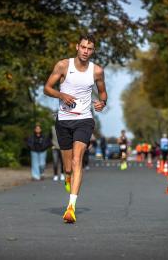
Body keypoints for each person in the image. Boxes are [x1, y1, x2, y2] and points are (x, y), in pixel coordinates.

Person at [44, 34, 107, 223]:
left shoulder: (97, 71)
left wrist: (102, 103)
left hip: (84, 120)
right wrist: (61, 95)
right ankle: (68, 176)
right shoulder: (63, 65)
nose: (86, 51)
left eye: (90, 49)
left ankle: (71, 207)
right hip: (63, 120)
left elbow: (103, 92)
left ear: (93, 51)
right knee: (68, 167)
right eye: (83, 47)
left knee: (78, 159)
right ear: (77, 47)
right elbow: (47, 88)